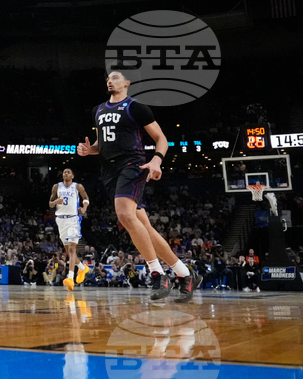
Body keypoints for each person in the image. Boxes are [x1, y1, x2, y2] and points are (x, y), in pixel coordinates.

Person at [77, 71, 200, 303]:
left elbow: (161, 138)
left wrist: (156, 159)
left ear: (127, 83)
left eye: (115, 77)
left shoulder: (136, 107)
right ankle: (186, 275)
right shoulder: (98, 110)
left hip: (133, 163)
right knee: (146, 228)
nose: (109, 81)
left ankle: (158, 274)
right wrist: (89, 150)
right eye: (107, 78)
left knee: (124, 214)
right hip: (109, 171)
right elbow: (101, 144)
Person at [50, 168, 90, 291]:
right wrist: (56, 201)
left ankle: (70, 278)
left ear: (72, 175)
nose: (65, 173)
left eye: (68, 172)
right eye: (64, 172)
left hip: (73, 219)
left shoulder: (77, 186)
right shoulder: (56, 187)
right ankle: (83, 269)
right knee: (68, 251)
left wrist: (84, 208)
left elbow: (86, 198)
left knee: (72, 249)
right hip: (61, 220)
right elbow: (50, 204)